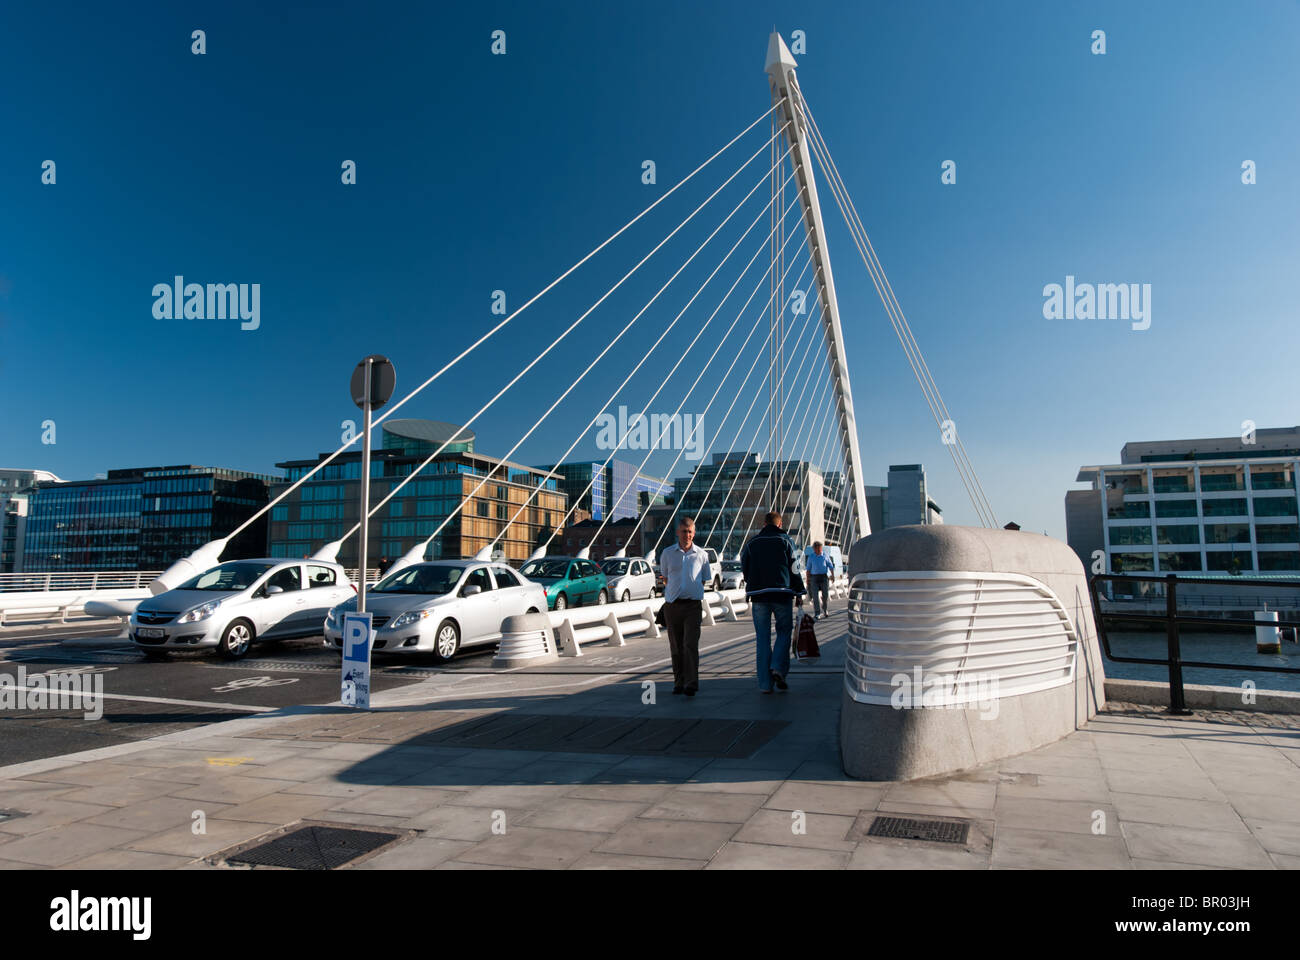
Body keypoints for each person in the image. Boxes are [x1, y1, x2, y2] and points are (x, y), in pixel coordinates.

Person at [741, 510, 805, 693]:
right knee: (784, 632)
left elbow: (745, 566)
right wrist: (799, 591)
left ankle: (765, 685)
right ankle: (777, 667)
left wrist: (752, 581)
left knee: (762, 638)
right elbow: (795, 568)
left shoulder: (752, 543)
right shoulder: (786, 541)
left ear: (764, 524)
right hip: (782, 593)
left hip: (759, 595)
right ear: (780, 525)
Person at [659, 516, 712, 697]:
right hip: (673, 605)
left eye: (690, 532)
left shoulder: (702, 555)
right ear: (677, 533)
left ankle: (691, 683)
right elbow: (665, 578)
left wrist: (690, 589)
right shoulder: (667, 553)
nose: (687, 535)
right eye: (684, 531)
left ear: (694, 533)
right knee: (676, 646)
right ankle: (678, 682)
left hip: (693, 606)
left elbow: (704, 579)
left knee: (690, 644)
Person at [806, 541, 832, 619]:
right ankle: (817, 613)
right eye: (816, 549)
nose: (818, 550)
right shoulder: (811, 557)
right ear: (814, 549)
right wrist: (808, 579)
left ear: (821, 548)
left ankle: (825, 609)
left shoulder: (825, 556)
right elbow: (808, 569)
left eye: (819, 549)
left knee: (825, 595)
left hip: (824, 577)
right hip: (814, 578)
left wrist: (833, 575)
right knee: (815, 596)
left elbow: (830, 566)